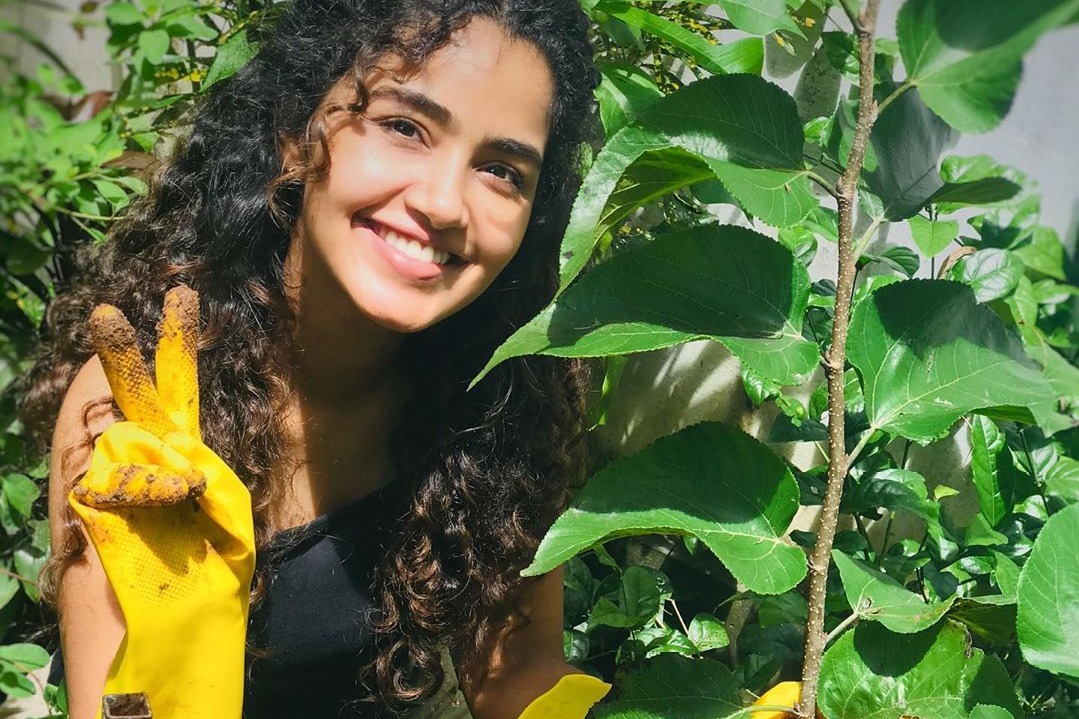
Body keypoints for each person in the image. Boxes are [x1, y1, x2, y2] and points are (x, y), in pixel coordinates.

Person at [19, 0, 602, 716]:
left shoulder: (500, 398)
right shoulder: (135, 407)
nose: (445, 204)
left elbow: (516, 667)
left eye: (502, 171)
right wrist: (179, 650)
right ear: (296, 137)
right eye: (403, 127)